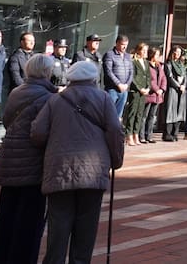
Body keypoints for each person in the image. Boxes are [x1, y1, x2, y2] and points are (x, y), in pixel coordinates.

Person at [31, 60, 125, 264]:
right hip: (93, 169)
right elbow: (115, 131)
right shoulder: (103, 98)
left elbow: (38, 133)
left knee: (59, 224)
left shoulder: (55, 100)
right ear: (93, 78)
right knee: (87, 225)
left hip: (60, 168)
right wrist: (116, 160)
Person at [0, 54, 56, 264]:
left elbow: (8, 120)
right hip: (33, 161)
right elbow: (43, 132)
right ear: (47, 72)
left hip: (10, 156)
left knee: (6, 214)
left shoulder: (17, 92)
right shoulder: (48, 97)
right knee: (30, 218)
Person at [123, 42, 150, 146]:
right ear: (138, 51)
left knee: (140, 113)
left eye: (146, 51)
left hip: (144, 92)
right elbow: (132, 77)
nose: (145, 53)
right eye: (143, 50)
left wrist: (148, 88)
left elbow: (148, 76)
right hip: (135, 91)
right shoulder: (133, 61)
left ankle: (136, 134)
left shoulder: (145, 62)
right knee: (132, 113)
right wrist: (139, 88)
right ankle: (128, 135)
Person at [101, 35, 133, 121]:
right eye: (122, 44)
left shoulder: (127, 56)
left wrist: (126, 84)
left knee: (118, 116)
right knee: (108, 114)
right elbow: (108, 72)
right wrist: (118, 84)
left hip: (124, 90)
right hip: (112, 89)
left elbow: (131, 72)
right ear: (117, 43)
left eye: (126, 44)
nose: (124, 47)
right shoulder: (110, 55)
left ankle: (115, 132)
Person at [142, 48, 166, 144]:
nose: (158, 57)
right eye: (157, 55)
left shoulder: (158, 65)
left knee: (152, 116)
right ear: (152, 55)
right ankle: (142, 136)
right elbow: (150, 80)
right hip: (150, 94)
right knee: (144, 116)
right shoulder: (147, 65)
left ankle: (149, 135)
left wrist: (162, 89)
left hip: (157, 96)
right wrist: (156, 89)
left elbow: (163, 77)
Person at [163, 47, 186, 141]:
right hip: (173, 90)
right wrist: (178, 86)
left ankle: (175, 133)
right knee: (171, 111)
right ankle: (167, 134)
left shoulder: (181, 64)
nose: (178, 54)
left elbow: (185, 76)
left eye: (180, 52)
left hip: (182, 90)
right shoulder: (168, 64)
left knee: (179, 112)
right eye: (176, 52)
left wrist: (184, 85)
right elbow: (170, 77)